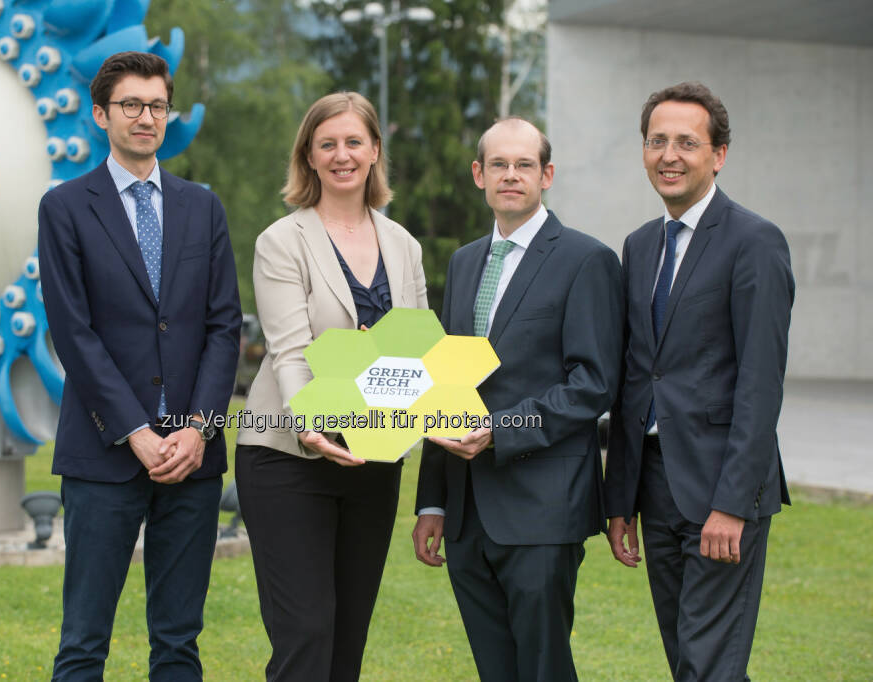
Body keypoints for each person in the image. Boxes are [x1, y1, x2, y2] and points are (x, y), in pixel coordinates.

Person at [37, 51, 241, 680]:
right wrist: (137, 432)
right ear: (102, 114)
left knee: (179, 645)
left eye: (157, 105)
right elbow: (74, 333)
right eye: (131, 105)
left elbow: (223, 325)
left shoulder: (201, 207)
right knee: (83, 644)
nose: (146, 117)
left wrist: (197, 429)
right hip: (104, 454)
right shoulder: (65, 207)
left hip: (192, 458)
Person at [412, 117, 623, 681]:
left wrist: (501, 431)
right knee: (494, 669)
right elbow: (446, 385)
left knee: (543, 668)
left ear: (546, 175)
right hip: (465, 512)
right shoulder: (463, 262)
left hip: (543, 507)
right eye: (499, 164)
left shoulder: (586, 259)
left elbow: (594, 381)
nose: (511, 175)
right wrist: (432, 502)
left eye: (524, 164)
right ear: (479, 175)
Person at [604, 82, 794, 681]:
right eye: (657, 141)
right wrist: (620, 500)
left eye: (687, 142)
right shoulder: (639, 246)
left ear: (720, 154)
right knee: (687, 657)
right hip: (656, 486)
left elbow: (761, 385)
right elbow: (637, 375)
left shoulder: (754, 242)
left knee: (708, 665)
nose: (670, 155)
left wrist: (733, 506)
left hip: (721, 488)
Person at [235, 91, 427, 681]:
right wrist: (311, 423)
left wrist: (438, 413)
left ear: (373, 151)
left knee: (347, 641)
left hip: (373, 459)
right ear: (309, 157)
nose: (341, 155)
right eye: (327, 145)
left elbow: (416, 354)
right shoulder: (281, 241)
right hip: (289, 457)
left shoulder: (403, 245)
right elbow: (290, 352)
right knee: (306, 633)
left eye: (353, 142)